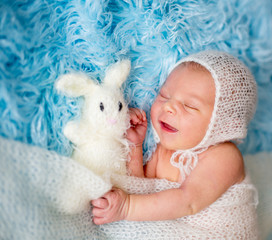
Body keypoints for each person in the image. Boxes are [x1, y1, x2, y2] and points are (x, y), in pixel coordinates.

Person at [91, 50, 259, 238]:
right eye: (164, 95)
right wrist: (135, 146)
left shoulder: (224, 156)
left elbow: (189, 201)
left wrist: (127, 207)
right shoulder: (163, 150)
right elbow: (140, 188)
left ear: (222, 125)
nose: (168, 106)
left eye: (190, 106)